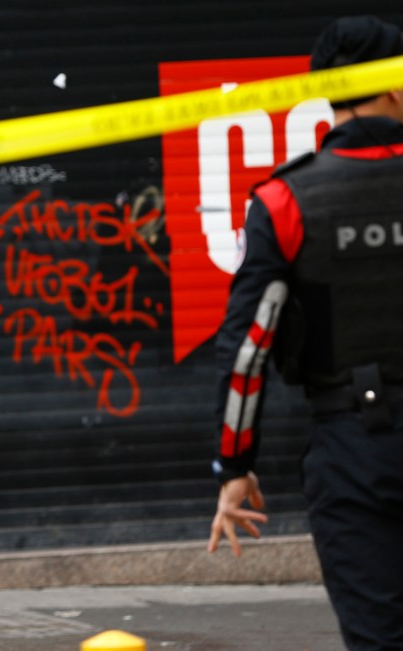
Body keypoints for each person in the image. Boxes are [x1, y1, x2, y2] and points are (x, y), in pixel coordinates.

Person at [207, 15, 403, 650]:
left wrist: (235, 464)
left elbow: (247, 349)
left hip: (356, 448)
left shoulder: (287, 200)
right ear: (394, 86)